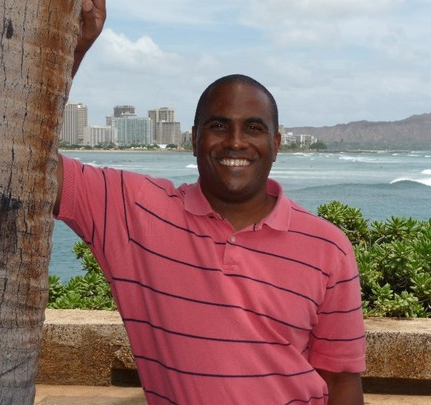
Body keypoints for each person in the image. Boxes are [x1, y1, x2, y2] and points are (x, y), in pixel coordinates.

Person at [56, 1, 366, 403]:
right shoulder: (135, 212)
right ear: (194, 139)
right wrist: (73, 48)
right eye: (219, 126)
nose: (235, 142)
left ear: (275, 144)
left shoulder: (327, 247)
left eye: (252, 128)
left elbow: (341, 381)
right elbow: (31, 165)